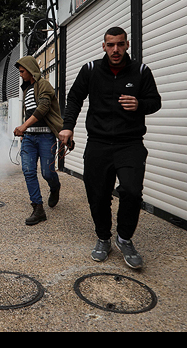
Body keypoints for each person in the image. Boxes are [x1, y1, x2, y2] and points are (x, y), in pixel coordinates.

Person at [60, 27, 161, 269]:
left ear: (127, 45)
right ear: (103, 46)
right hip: (98, 143)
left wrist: (139, 104)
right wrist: (68, 126)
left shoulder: (141, 71)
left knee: (132, 191)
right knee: (98, 194)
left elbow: (155, 102)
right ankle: (103, 237)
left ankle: (124, 238)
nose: (115, 50)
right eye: (111, 45)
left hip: (130, 143)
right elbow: (74, 98)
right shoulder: (91, 70)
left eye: (120, 44)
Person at [13, 55, 63, 226]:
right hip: (29, 139)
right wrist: (22, 130)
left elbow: (43, 108)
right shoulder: (27, 90)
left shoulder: (44, 85)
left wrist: (23, 126)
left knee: (47, 173)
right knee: (28, 171)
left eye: (22, 71)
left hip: (46, 137)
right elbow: (29, 113)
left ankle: (55, 187)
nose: (20, 74)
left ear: (31, 70)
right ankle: (38, 208)